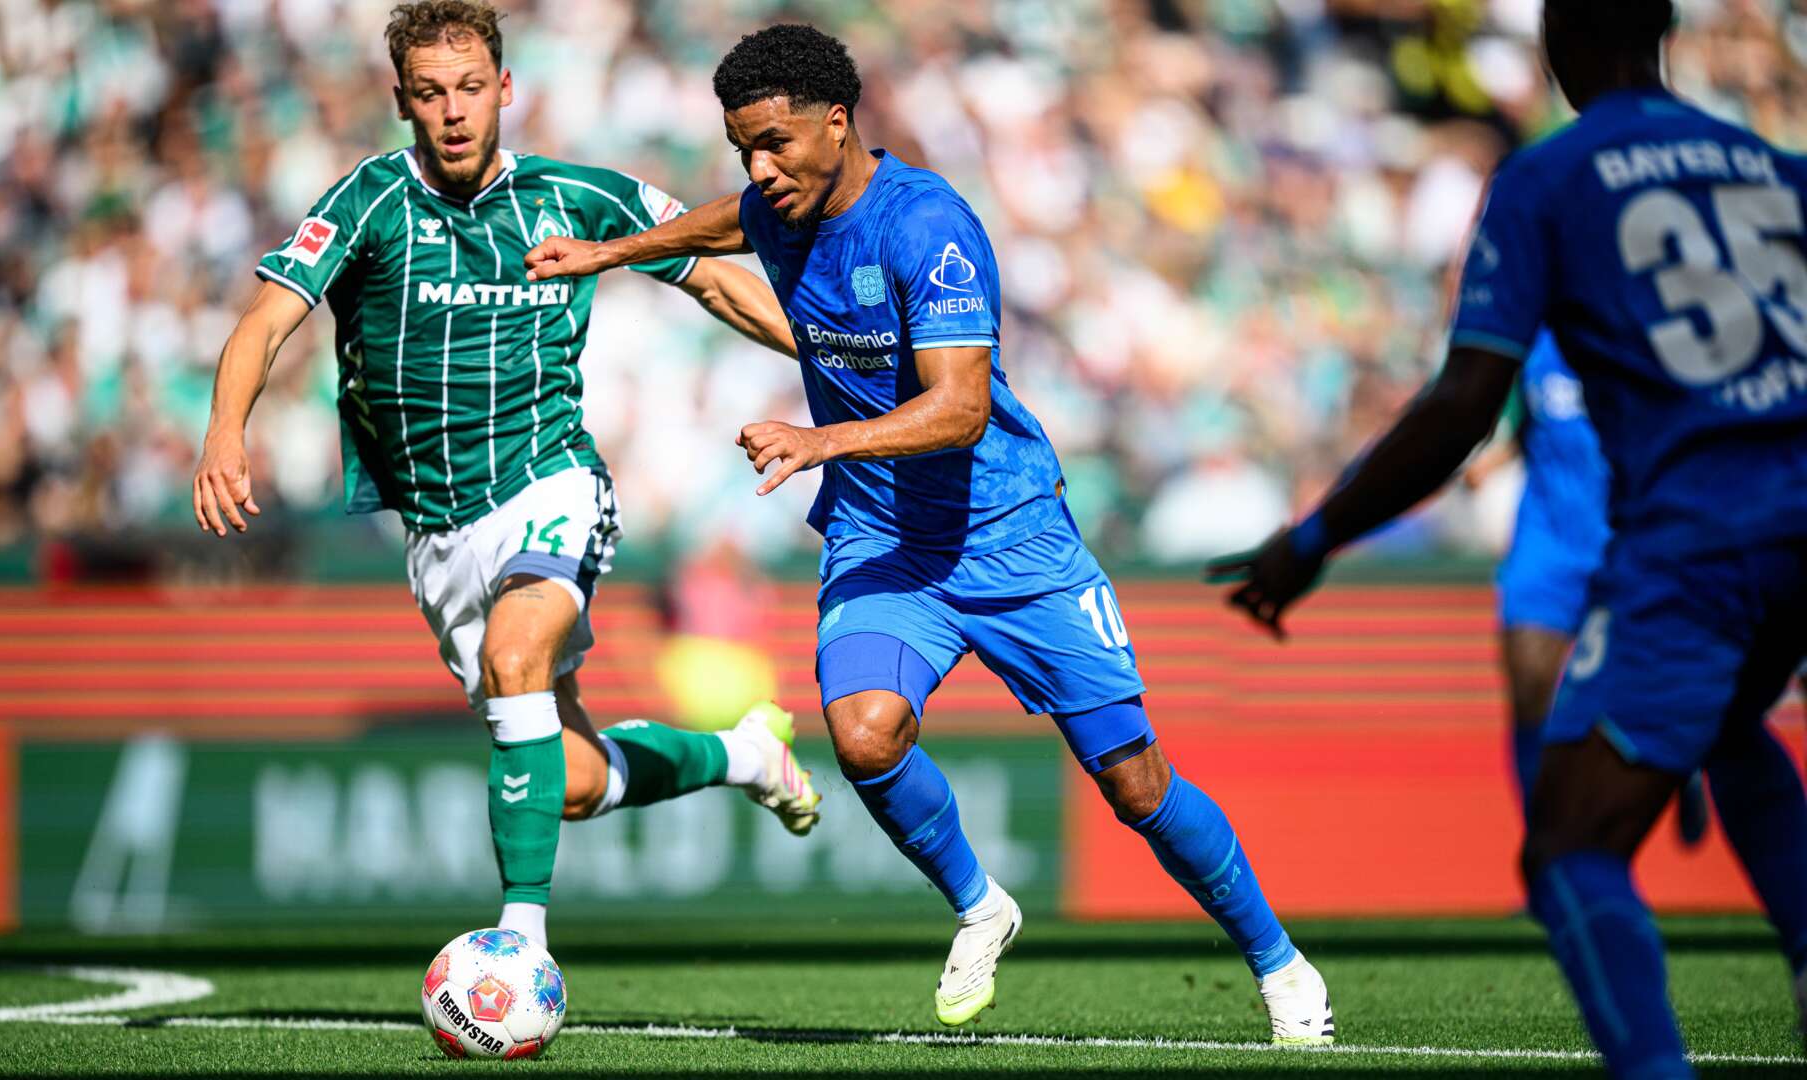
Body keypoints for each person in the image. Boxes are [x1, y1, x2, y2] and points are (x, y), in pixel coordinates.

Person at [524, 24, 1334, 1041]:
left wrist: (820, 441)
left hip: (1011, 536)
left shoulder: (927, 226)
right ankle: (980, 904)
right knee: (863, 733)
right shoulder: (779, 202)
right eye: (743, 149)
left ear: (838, 122)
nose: (759, 170)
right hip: (883, 541)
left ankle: (1279, 963)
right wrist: (610, 254)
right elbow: (725, 223)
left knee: (1136, 785)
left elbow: (960, 408)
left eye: (775, 144)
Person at [1207, 2, 1807, 1073]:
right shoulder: (1772, 166)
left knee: (1570, 850)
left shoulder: (1549, 178)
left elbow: (1462, 405)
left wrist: (1316, 536)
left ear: (1560, 41)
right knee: (1729, 720)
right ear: (1663, 29)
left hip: (1701, 533)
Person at [191, 0, 821, 950]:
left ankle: (517, 946)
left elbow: (716, 278)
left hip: (550, 482)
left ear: (506, 89)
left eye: (471, 88)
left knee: (514, 656)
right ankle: (746, 755)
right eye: (431, 93)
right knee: (569, 781)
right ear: (401, 100)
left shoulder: (574, 196)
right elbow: (265, 321)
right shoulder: (366, 200)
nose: (454, 111)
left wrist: (836, 362)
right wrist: (223, 434)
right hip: (436, 530)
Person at [1466, 331, 1709, 844]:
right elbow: (1527, 419)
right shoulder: (1532, 339)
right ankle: (1545, 841)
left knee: (1642, 686)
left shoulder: (1642, 329)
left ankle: (1682, 763)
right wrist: (1494, 459)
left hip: (1628, 537)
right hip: (1548, 542)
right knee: (1529, 682)